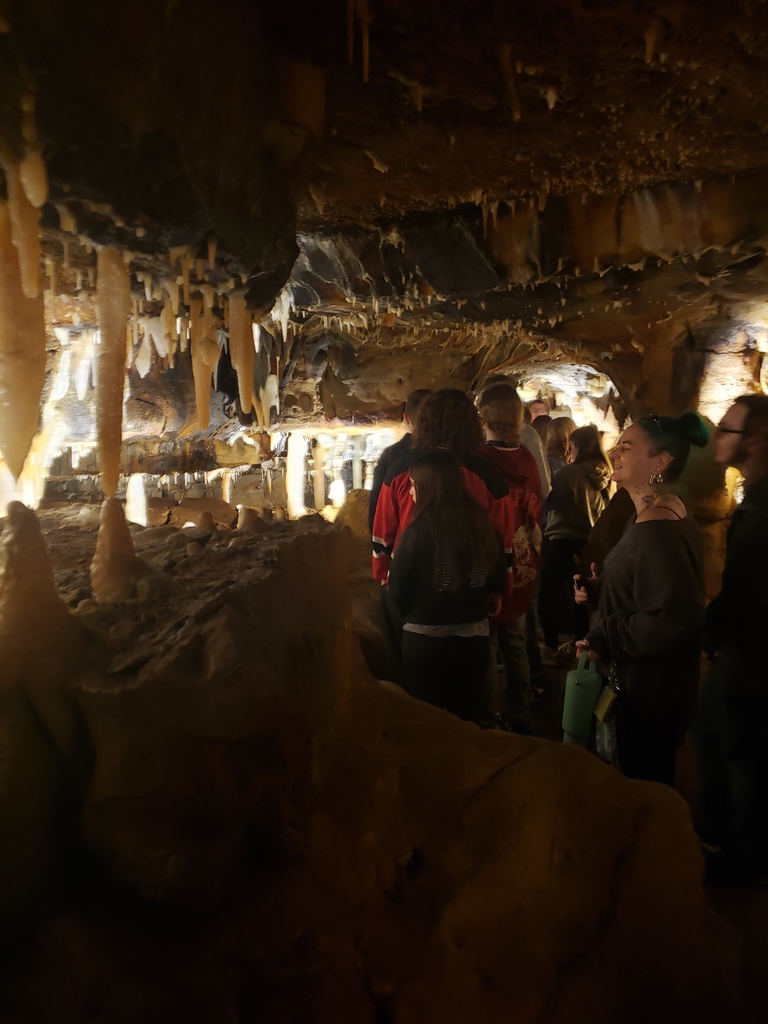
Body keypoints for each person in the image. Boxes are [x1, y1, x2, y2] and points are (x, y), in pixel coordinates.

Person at [574, 412, 710, 785]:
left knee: (639, 792)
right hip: (653, 692)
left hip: (646, 697)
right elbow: (652, 590)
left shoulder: (657, 527)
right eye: (618, 444)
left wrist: (605, 635)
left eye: (627, 447)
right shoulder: (653, 515)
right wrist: (602, 591)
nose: (615, 452)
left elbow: (674, 617)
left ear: (660, 462)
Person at [693, 394, 768, 883]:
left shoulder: (762, 508)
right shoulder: (755, 498)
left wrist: (702, 633)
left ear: (757, 440)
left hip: (753, 655)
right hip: (744, 649)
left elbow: (744, 591)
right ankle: (724, 835)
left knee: (745, 751)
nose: (717, 437)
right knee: (717, 731)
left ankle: (751, 857)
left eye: (727, 429)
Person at [387, 450, 506, 720]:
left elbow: (397, 591)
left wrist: (417, 612)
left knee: (430, 723)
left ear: (427, 487)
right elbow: (496, 573)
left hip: (425, 641)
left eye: (414, 486)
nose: (411, 493)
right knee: (468, 721)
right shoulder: (482, 524)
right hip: (473, 638)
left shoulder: (416, 532)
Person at [476, 383, 542, 733]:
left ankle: (488, 716)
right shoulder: (528, 459)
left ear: (484, 417)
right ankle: (520, 713)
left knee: (487, 644)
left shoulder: (483, 460)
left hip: (493, 560)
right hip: (523, 559)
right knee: (515, 640)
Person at [539, 425, 611, 664]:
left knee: (545, 594)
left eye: (572, 448)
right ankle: (579, 647)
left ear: (579, 447)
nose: (570, 453)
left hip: (562, 539)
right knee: (579, 598)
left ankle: (549, 647)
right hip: (586, 542)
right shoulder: (602, 476)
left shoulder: (569, 473)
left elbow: (552, 503)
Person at [368, 389, 432, 532]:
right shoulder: (455, 457)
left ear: (406, 418)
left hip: (403, 544)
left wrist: (381, 551)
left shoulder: (392, 457)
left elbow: (378, 509)